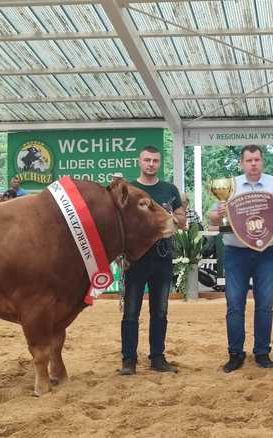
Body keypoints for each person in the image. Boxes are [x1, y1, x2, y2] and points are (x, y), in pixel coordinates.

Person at [208, 145, 273, 373]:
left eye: (257, 159)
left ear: (262, 161)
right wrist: (219, 213)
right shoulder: (230, 186)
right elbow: (212, 218)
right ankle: (235, 353)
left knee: (265, 303)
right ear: (242, 163)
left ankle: (262, 352)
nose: (253, 163)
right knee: (234, 304)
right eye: (249, 160)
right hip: (235, 252)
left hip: (268, 251)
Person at [120, 145, 185, 376]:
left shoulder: (169, 189)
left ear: (159, 163)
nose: (151, 164)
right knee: (131, 312)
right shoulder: (129, 189)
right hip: (135, 258)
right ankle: (129, 361)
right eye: (147, 160)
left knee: (160, 311)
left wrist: (172, 215)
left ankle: (158, 358)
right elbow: (120, 224)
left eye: (155, 160)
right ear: (139, 162)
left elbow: (182, 220)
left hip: (163, 255)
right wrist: (120, 254)